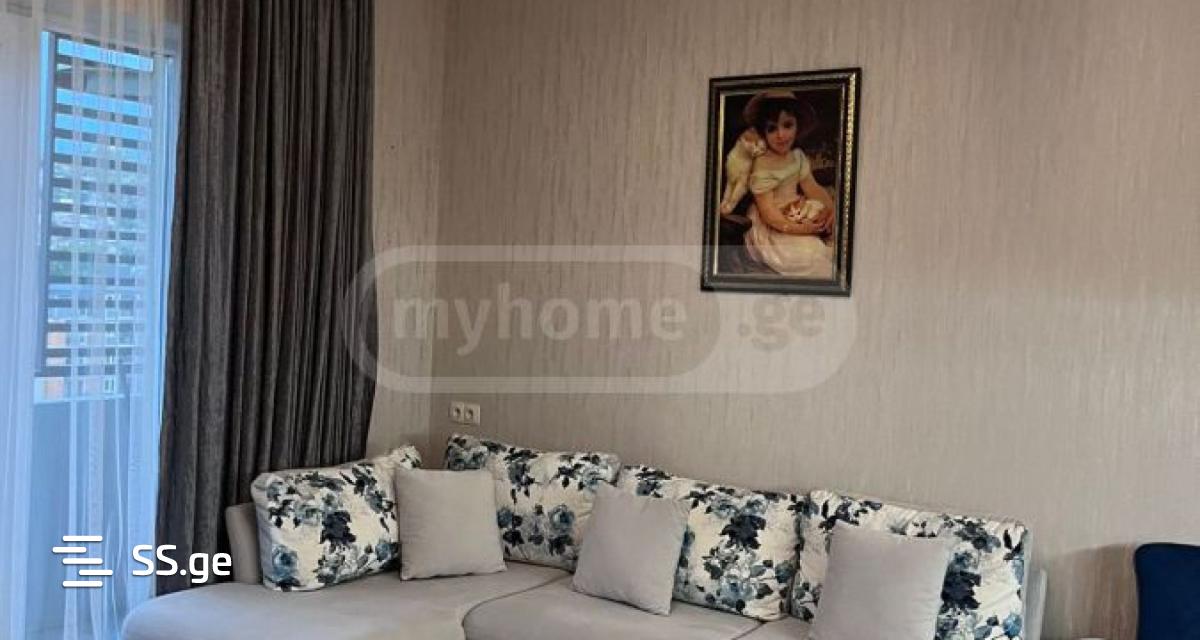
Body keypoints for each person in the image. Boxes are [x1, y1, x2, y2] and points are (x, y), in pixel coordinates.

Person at [739, 89, 836, 278]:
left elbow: (813, 189)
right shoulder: (762, 165)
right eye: (772, 128)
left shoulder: (797, 157)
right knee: (810, 255)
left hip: (796, 213)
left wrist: (831, 210)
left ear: (797, 126)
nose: (781, 135)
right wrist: (801, 230)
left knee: (835, 243)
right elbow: (769, 214)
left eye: (787, 125)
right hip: (773, 227)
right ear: (763, 132)